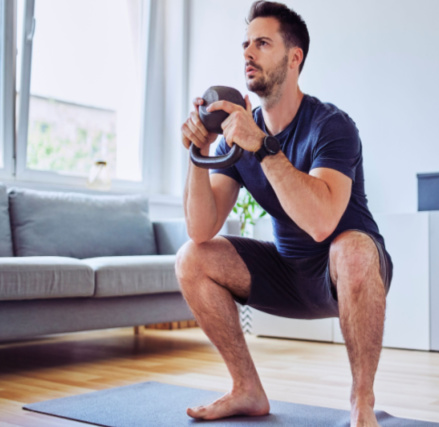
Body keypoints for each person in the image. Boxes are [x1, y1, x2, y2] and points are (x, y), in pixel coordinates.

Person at [175, 2, 392, 426]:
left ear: (295, 58)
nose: (247, 54)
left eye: (262, 43)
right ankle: (247, 389)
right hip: (285, 272)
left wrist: (264, 147)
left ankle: (361, 401)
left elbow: (322, 222)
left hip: (344, 272)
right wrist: (198, 153)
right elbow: (200, 229)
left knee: (352, 249)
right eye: (245, 45)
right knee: (191, 257)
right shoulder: (238, 135)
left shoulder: (331, 125)